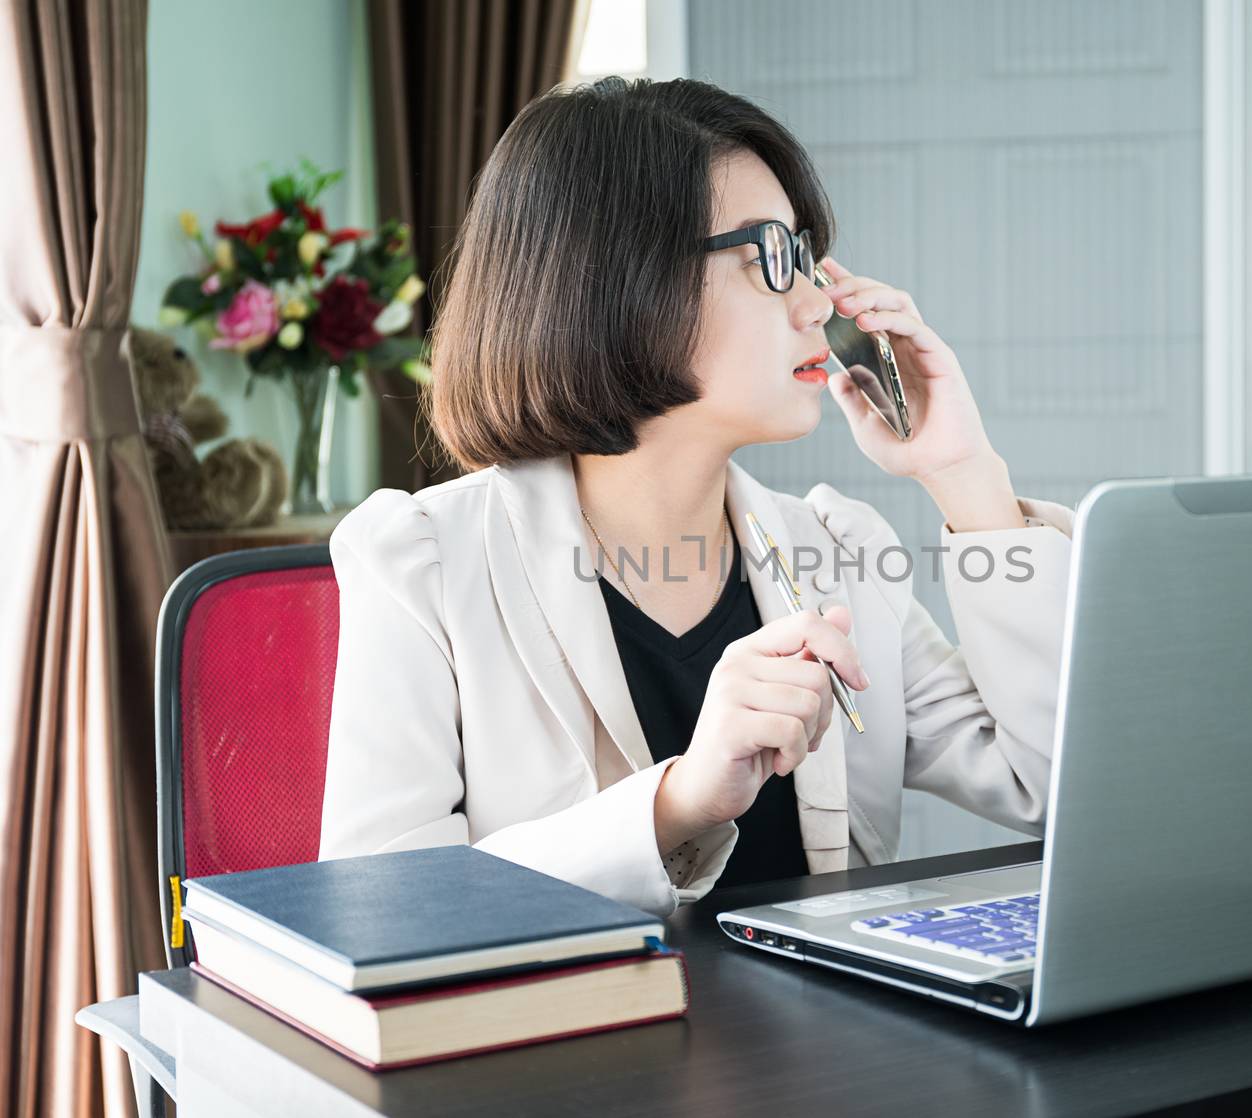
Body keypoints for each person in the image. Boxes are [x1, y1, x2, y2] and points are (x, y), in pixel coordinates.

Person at [317, 75, 1075, 918]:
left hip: (832, 1050)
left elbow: (1052, 787)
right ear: (617, 281)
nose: (822, 303)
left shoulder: (837, 548)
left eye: (808, 256)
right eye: (773, 258)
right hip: (583, 1048)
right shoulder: (419, 562)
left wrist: (964, 472)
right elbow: (377, 913)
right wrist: (678, 803)